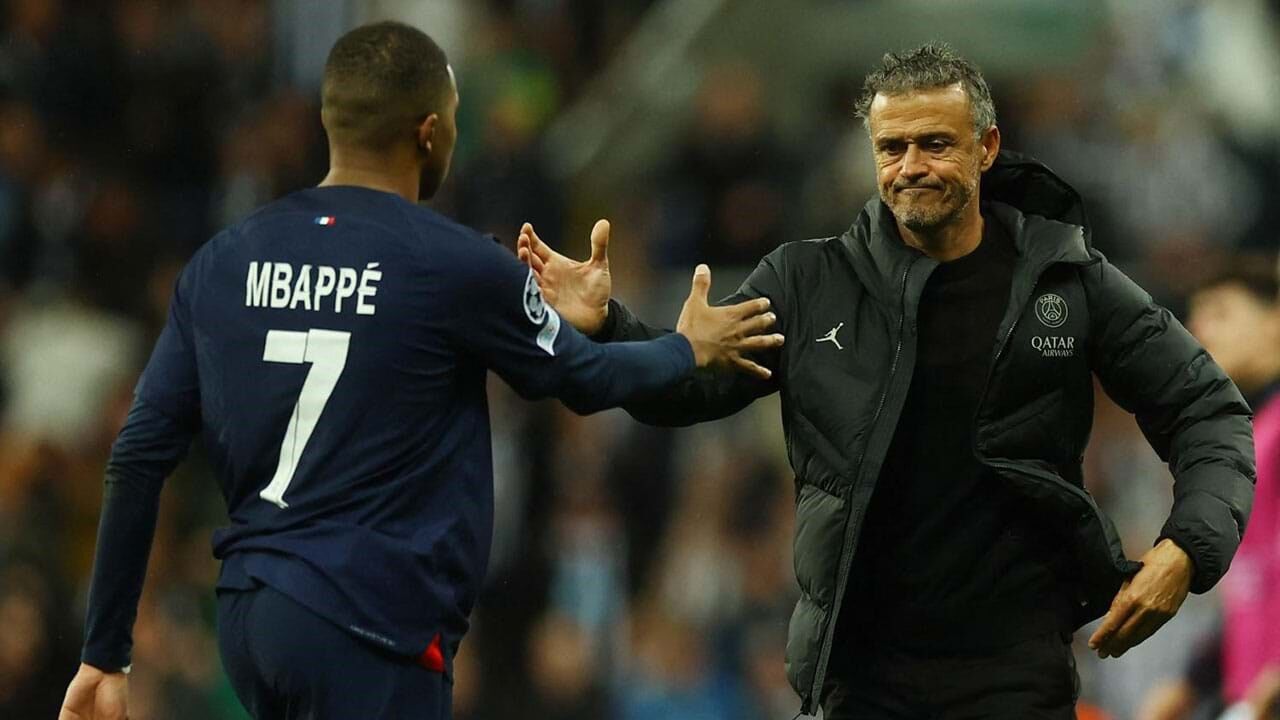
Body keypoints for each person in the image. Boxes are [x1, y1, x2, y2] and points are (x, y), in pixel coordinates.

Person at [58, 21, 782, 720]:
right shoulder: (454, 262)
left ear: (330, 121)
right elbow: (587, 379)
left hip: (252, 616)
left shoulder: (223, 260)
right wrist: (687, 347)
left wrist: (104, 655)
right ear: (430, 131)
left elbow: (138, 453)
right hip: (368, 622)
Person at [518, 43, 1256, 718]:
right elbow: (684, 391)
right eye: (891, 147)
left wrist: (1186, 549)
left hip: (1016, 676)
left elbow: (1207, 410)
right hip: (860, 682)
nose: (911, 166)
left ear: (986, 148)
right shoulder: (808, 283)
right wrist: (607, 325)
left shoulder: (1063, 278)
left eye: (935, 143)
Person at [1140, 262, 1280, 720]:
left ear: (1275, 320)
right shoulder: (1248, 432)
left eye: (1221, 312)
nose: (1199, 329)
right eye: (1196, 316)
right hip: (1249, 695)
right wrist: (1193, 682)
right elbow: (1254, 581)